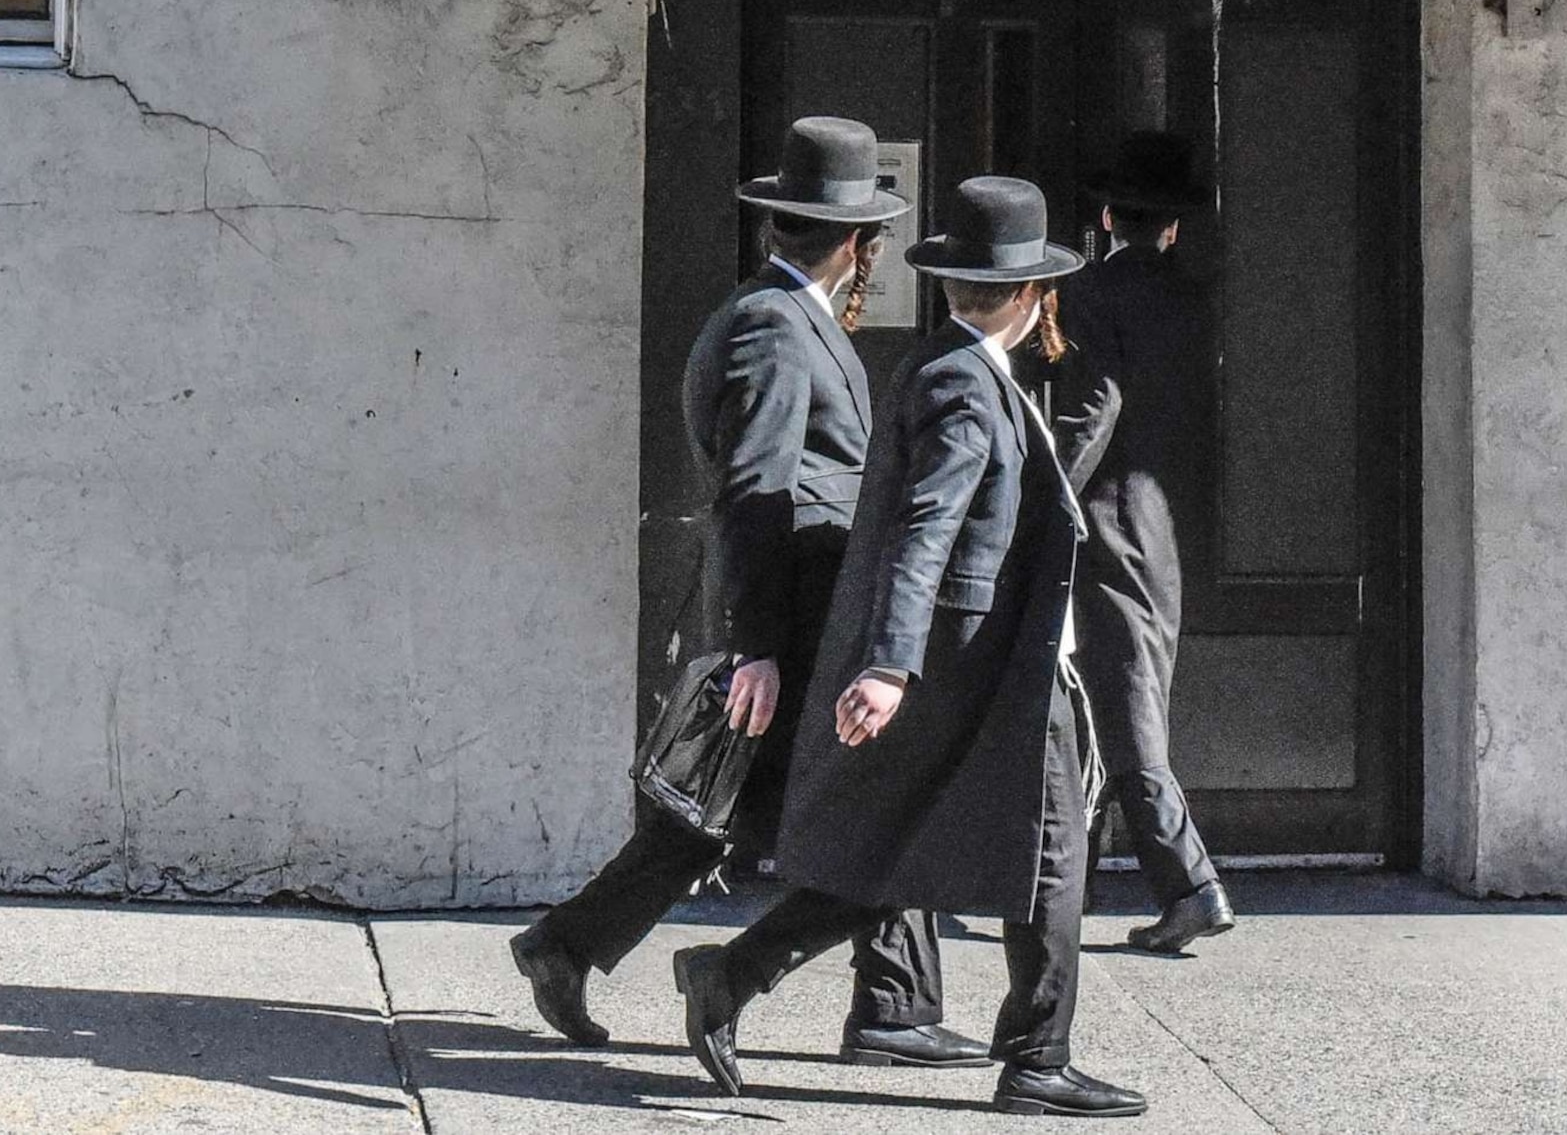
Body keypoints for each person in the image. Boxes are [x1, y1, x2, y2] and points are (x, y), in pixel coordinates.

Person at [509, 118, 982, 1069]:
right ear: (857, 243)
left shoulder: (782, 314)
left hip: (806, 612)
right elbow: (753, 492)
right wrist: (754, 642)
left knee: (725, 810)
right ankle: (884, 1004)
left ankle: (573, 945)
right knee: (874, 800)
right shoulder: (773, 326)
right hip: (794, 620)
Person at [672, 175, 1147, 1119]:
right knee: (1051, 857)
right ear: (1028, 294)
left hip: (970, 662)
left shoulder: (949, 367)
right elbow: (923, 530)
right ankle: (1038, 1059)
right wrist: (888, 664)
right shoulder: (967, 385)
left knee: (906, 846)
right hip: (982, 670)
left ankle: (731, 974)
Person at [1052, 131, 1233, 954]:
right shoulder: (1198, 298)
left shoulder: (1090, 294)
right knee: (1124, 693)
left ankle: (1190, 883)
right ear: (1175, 226)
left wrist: (1048, 495)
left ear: (1108, 215)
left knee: (1124, 708)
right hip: (1166, 520)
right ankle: (1070, 875)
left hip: (1110, 516)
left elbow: (1094, 405)